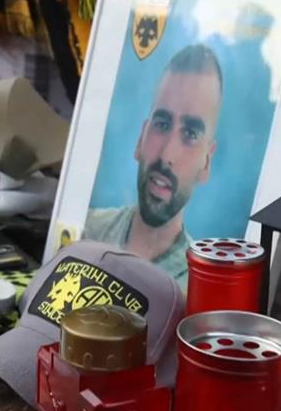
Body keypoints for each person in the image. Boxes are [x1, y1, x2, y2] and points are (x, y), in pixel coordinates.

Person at [84, 44, 222, 285]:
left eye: (190, 134)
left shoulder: (201, 290)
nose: (167, 155)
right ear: (141, 139)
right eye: (162, 124)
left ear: (206, 164)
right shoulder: (85, 231)